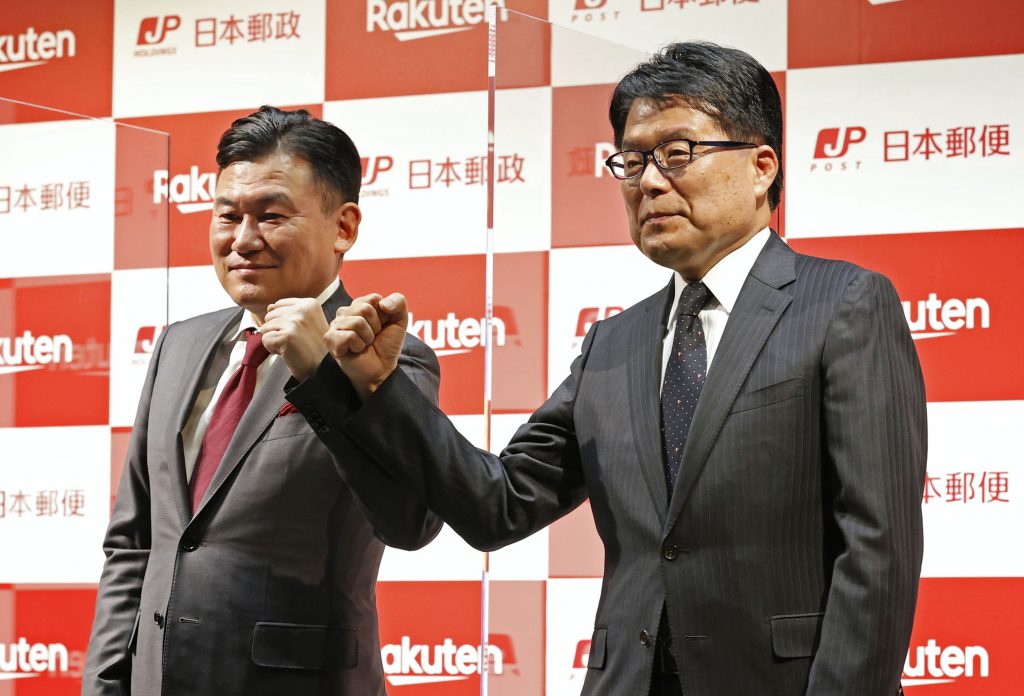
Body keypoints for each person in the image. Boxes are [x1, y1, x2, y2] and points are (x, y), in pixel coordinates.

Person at [292, 42, 927, 695]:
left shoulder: (844, 304)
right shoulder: (612, 343)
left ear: (762, 166)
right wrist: (376, 386)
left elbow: (878, 548)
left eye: (678, 154)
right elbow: (497, 506)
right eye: (633, 159)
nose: (649, 181)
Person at [82, 106, 441, 696]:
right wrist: (105, 685)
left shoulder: (385, 354)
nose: (243, 240)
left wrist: (324, 375)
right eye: (227, 215)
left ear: (344, 226)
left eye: (272, 215)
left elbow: (411, 521)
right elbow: (135, 541)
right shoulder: (179, 343)